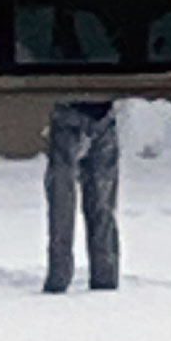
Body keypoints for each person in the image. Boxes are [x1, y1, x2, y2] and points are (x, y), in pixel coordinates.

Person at [43, 100, 120, 293]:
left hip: (89, 115)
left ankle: (61, 279)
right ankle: (101, 278)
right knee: (96, 205)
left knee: (65, 204)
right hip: (89, 113)